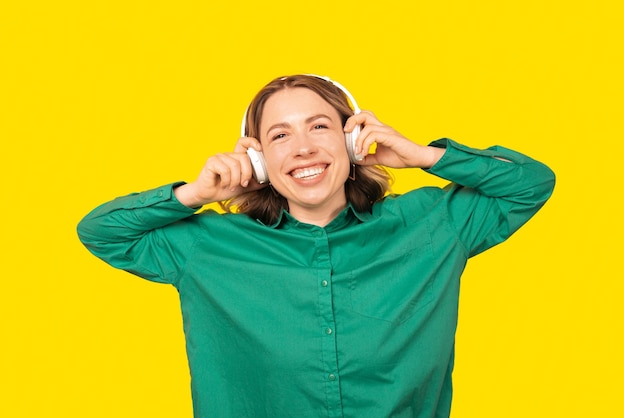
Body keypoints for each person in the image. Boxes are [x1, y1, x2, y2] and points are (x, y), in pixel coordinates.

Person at [77, 74, 556, 417]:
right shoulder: (206, 247)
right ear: (259, 160)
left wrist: (424, 155)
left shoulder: (434, 223)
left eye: (319, 126)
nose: (303, 147)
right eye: (280, 135)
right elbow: (100, 231)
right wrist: (195, 194)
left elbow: (531, 183)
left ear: (352, 140)